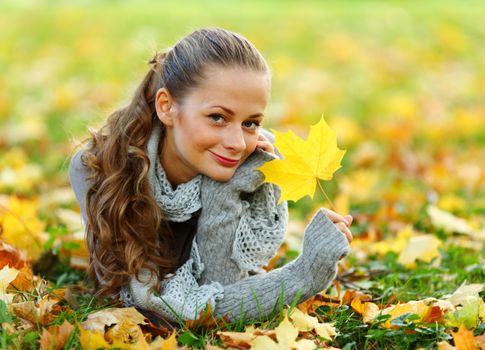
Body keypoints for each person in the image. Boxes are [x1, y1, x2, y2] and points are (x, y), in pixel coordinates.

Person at [69, 27, 353, 327]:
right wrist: (303, 276)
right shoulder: (99, 169)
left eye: (251, 122)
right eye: (217, 118)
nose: (237, 143)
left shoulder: (255, 163)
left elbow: (221, 285)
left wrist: (225, 190)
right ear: (167, 107)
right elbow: (147, 306)